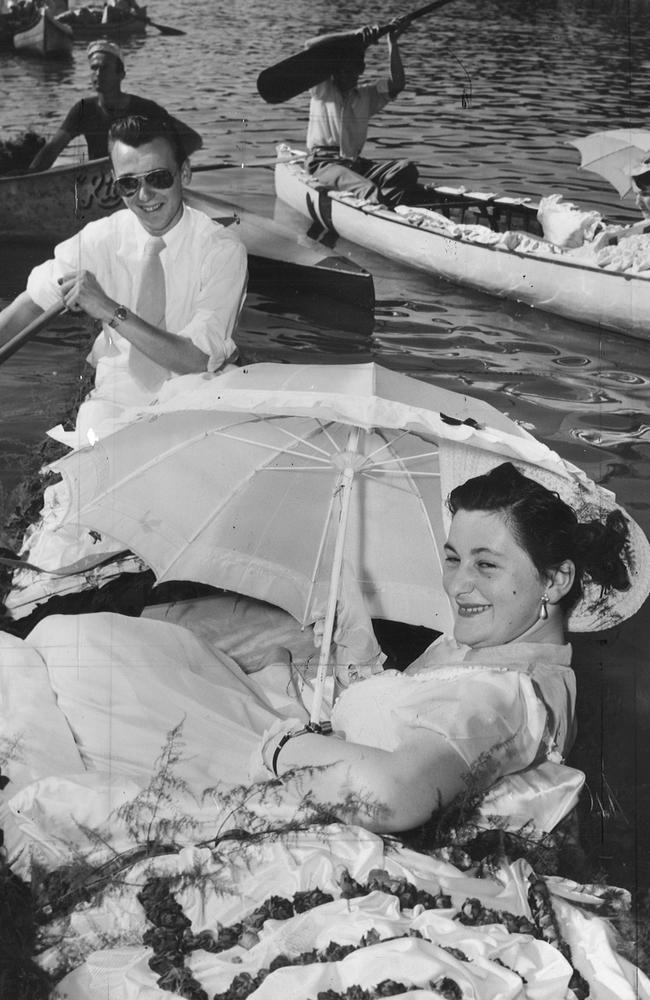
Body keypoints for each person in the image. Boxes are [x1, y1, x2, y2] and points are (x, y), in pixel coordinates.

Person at [257, 461, 643, 833]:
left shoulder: (507, 693)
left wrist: (284, 748)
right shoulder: (492, 658)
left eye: (486, 565)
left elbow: (392, 796)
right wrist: (357, 652)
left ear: (556, 580)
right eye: (454, 559)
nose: (457, 585)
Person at [0, 113, 247, 615]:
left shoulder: (221, 249)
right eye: (128, 184)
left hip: (188, 408)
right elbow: (28, 303)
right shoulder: (102, 237)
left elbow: (197, 359)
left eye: (158, 178)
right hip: (109, 411)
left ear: (186, 174)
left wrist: (109, 310)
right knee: (54, 556)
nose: (145, 196)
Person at [27, 40, 201, 172]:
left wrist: (165, 167)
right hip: (98, 185)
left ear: (121, 74)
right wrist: (30, 177)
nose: (98, 74)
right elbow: (51, 150)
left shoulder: (145, 109)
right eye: (94, 68)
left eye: (104, 68)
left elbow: (192, 140)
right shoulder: (83, 109)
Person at [304, 22, 419, 208]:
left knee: (406, 170)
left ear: (360, 70)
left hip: (354, 165)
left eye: (349, 70)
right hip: (323, 165)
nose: (343, 75)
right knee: (368, 189)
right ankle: (379, 203)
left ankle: (384, 203)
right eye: (339, 70)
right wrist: (354, 35)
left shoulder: (366, 96)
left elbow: (397, 84)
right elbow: (310, 45)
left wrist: (393, 43)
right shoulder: (322, 89)